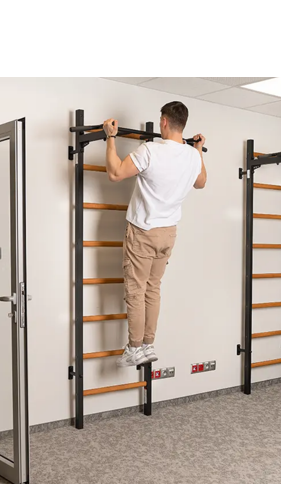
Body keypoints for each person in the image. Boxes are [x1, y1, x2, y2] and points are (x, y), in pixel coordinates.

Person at [102, 101, 207, 367]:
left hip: (143, 231)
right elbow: (201, 182)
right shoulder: (193, 155)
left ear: (163, 122)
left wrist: (110, 138)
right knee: (153, 289)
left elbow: (115, 173)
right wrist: (196, 150)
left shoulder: (150, 151)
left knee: (136, 291)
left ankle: (135, 347)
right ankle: (148, 344)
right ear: (182, 125)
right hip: (168, 234)